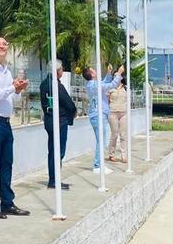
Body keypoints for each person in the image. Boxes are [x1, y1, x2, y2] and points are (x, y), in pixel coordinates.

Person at [0, 36, 30, 219]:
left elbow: (12, 99)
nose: (2, 46)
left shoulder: (7, 71)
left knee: (7, 164)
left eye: (4, 44)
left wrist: (17, 90)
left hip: (5, 122)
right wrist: (12, 88)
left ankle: (7, 203)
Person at [40, 60, 77, 190]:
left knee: (53, 151)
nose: (62, 71)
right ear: (57, 70)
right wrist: (73, 111)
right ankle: (54, 179)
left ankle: (54, 178)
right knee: (58, 151)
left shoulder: (44, 84)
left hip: (50, 120)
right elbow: (67, 102)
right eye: (61, 69)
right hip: (59, 121)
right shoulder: (55, 85)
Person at [82, 64, 123, 174]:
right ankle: (97, 165)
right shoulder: (93, 85)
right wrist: (119, 73)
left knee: (101, 141)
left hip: (100, 115)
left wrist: (109, 73)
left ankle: (99, 165)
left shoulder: (94, 84)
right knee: (101, 141)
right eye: (93, 70)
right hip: (98, 115)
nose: (95, 70)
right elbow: (111, 85)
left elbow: (104, 83)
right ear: (91, 74)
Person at [108, 73, 128, 162]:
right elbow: (107, 101)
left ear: (121, 77)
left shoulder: (126, 88)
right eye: (114, 76)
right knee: (114, 134)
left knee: (123, 135)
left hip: (123, 113)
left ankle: (124, 155)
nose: (116, 77)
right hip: (113, 113)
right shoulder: (110, 88)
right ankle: (111, 154)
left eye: (118, 75)